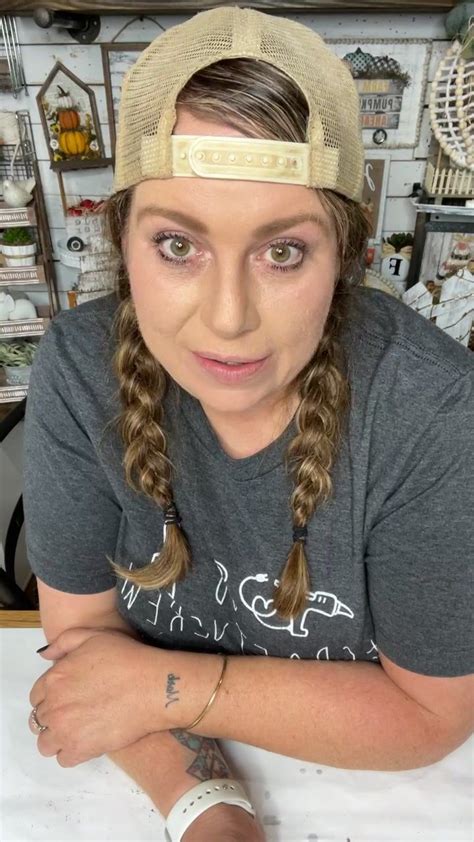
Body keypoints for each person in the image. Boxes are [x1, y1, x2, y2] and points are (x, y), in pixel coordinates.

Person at [24, 7, 473, 842]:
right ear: (122, 240)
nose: (228, 321)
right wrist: (209, 809)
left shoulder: (432, 411)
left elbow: (429, 713)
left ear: (347, 256)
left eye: (284, 252)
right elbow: (85, 654)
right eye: (177, 246)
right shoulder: (82, 372)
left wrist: (170, 688)